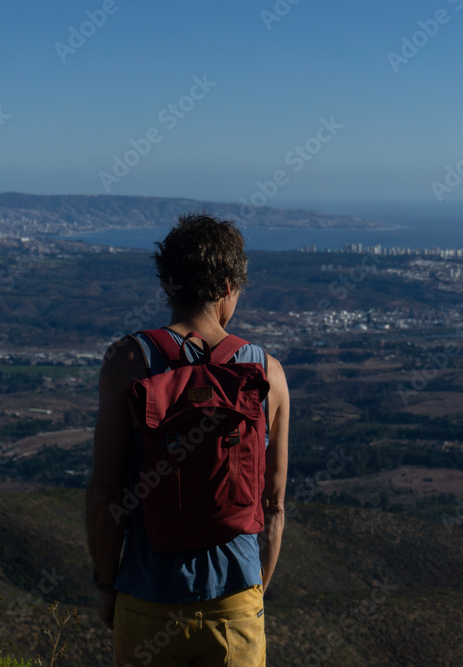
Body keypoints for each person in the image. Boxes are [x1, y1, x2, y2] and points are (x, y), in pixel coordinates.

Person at [86, 212, 290, 666]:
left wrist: (106, 586)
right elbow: (274, 506)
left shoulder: (127, 361)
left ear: (168, 282)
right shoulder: (267, 373)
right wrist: (254, 590)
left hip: (147, 599)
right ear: (226, 285)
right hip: (235, 604)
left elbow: (104, 494)